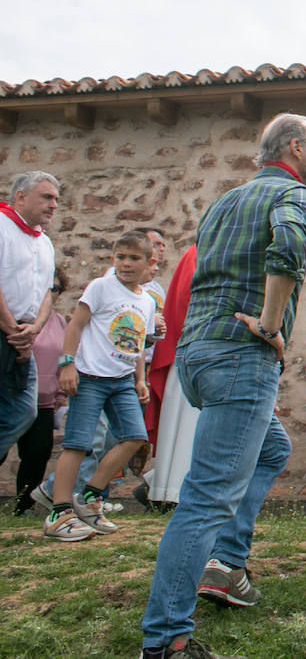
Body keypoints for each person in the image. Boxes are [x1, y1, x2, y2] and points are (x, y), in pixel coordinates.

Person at [141, 112, 306, 659]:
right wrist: (271, 326)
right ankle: (168, 639)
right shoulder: (293, 195)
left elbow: (199, 273)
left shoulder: (225, 200)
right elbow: (287, 255)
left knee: (274, 447)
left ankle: (226, 563)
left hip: (198, 356)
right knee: (204, 500)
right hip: (240, 354)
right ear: (296, 148)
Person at [45, 231, 156, 541]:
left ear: (149, 263)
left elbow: (136, 344)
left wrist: (140, 379)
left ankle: (90, 497)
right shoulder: (101, 287)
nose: (126, 263)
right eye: (120, 257)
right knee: (78, 444)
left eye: (134, 258)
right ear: (112, 260)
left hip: (121, 382)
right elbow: (76, 324)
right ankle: (59, 512)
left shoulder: (145, 301)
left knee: (134, 437)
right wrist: (67, 363)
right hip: (90, 377)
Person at [0, 171, 59, 459]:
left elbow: (48, 292)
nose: (54, 205)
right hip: (6, 331)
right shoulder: (1, 227)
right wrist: (13, 330)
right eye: (47, 197)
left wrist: (33, 330)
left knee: (24, 411)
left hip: (23, 335)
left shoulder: (44, 242)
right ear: (21, 196)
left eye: (56, 199)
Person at [139, 245, 200, 509]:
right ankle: (171, 489)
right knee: (187, 426)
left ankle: (162, 484)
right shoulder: (201, 252)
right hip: (195, 350)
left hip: (194, 351)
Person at [10, 268, 67, 514]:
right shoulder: (18, 316)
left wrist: (59, 396)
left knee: (37, 454)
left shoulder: (60, 322)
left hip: (43, 402)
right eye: (46, 287)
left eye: (55, 288)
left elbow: (62, 360)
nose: (50, 293)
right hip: (14, 397)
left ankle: (22, 507)